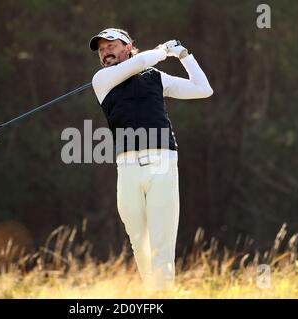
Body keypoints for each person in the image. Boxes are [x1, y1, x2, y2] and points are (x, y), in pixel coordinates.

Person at [89, 28, 213, 290]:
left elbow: (203, 89)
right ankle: (152, 295)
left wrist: (183, 55)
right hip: (127, 168)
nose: (105, 51)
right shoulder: (102, 80)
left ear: (128, 46)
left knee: (161, 243)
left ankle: (162, 295)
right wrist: (161, 51)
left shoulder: (156, 77)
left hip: (162, 162)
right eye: (101, 49)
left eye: (111, 45)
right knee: (139, 242)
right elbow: (141, 61)